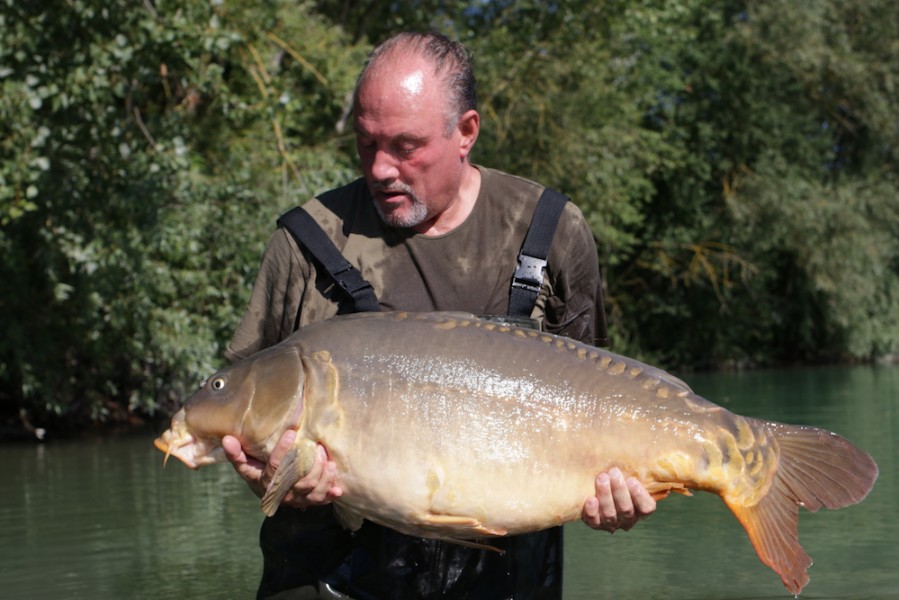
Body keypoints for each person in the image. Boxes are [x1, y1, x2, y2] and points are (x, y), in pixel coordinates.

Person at [221, 31, 656, 599]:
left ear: (466, 133)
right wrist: (264, 474)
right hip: (325, 575)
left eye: (405, 146)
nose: (380, 169)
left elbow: (594, 397)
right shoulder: (304, 243)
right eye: (365, 143)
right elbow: (237, 413)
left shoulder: (552, 233)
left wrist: (615, 493)